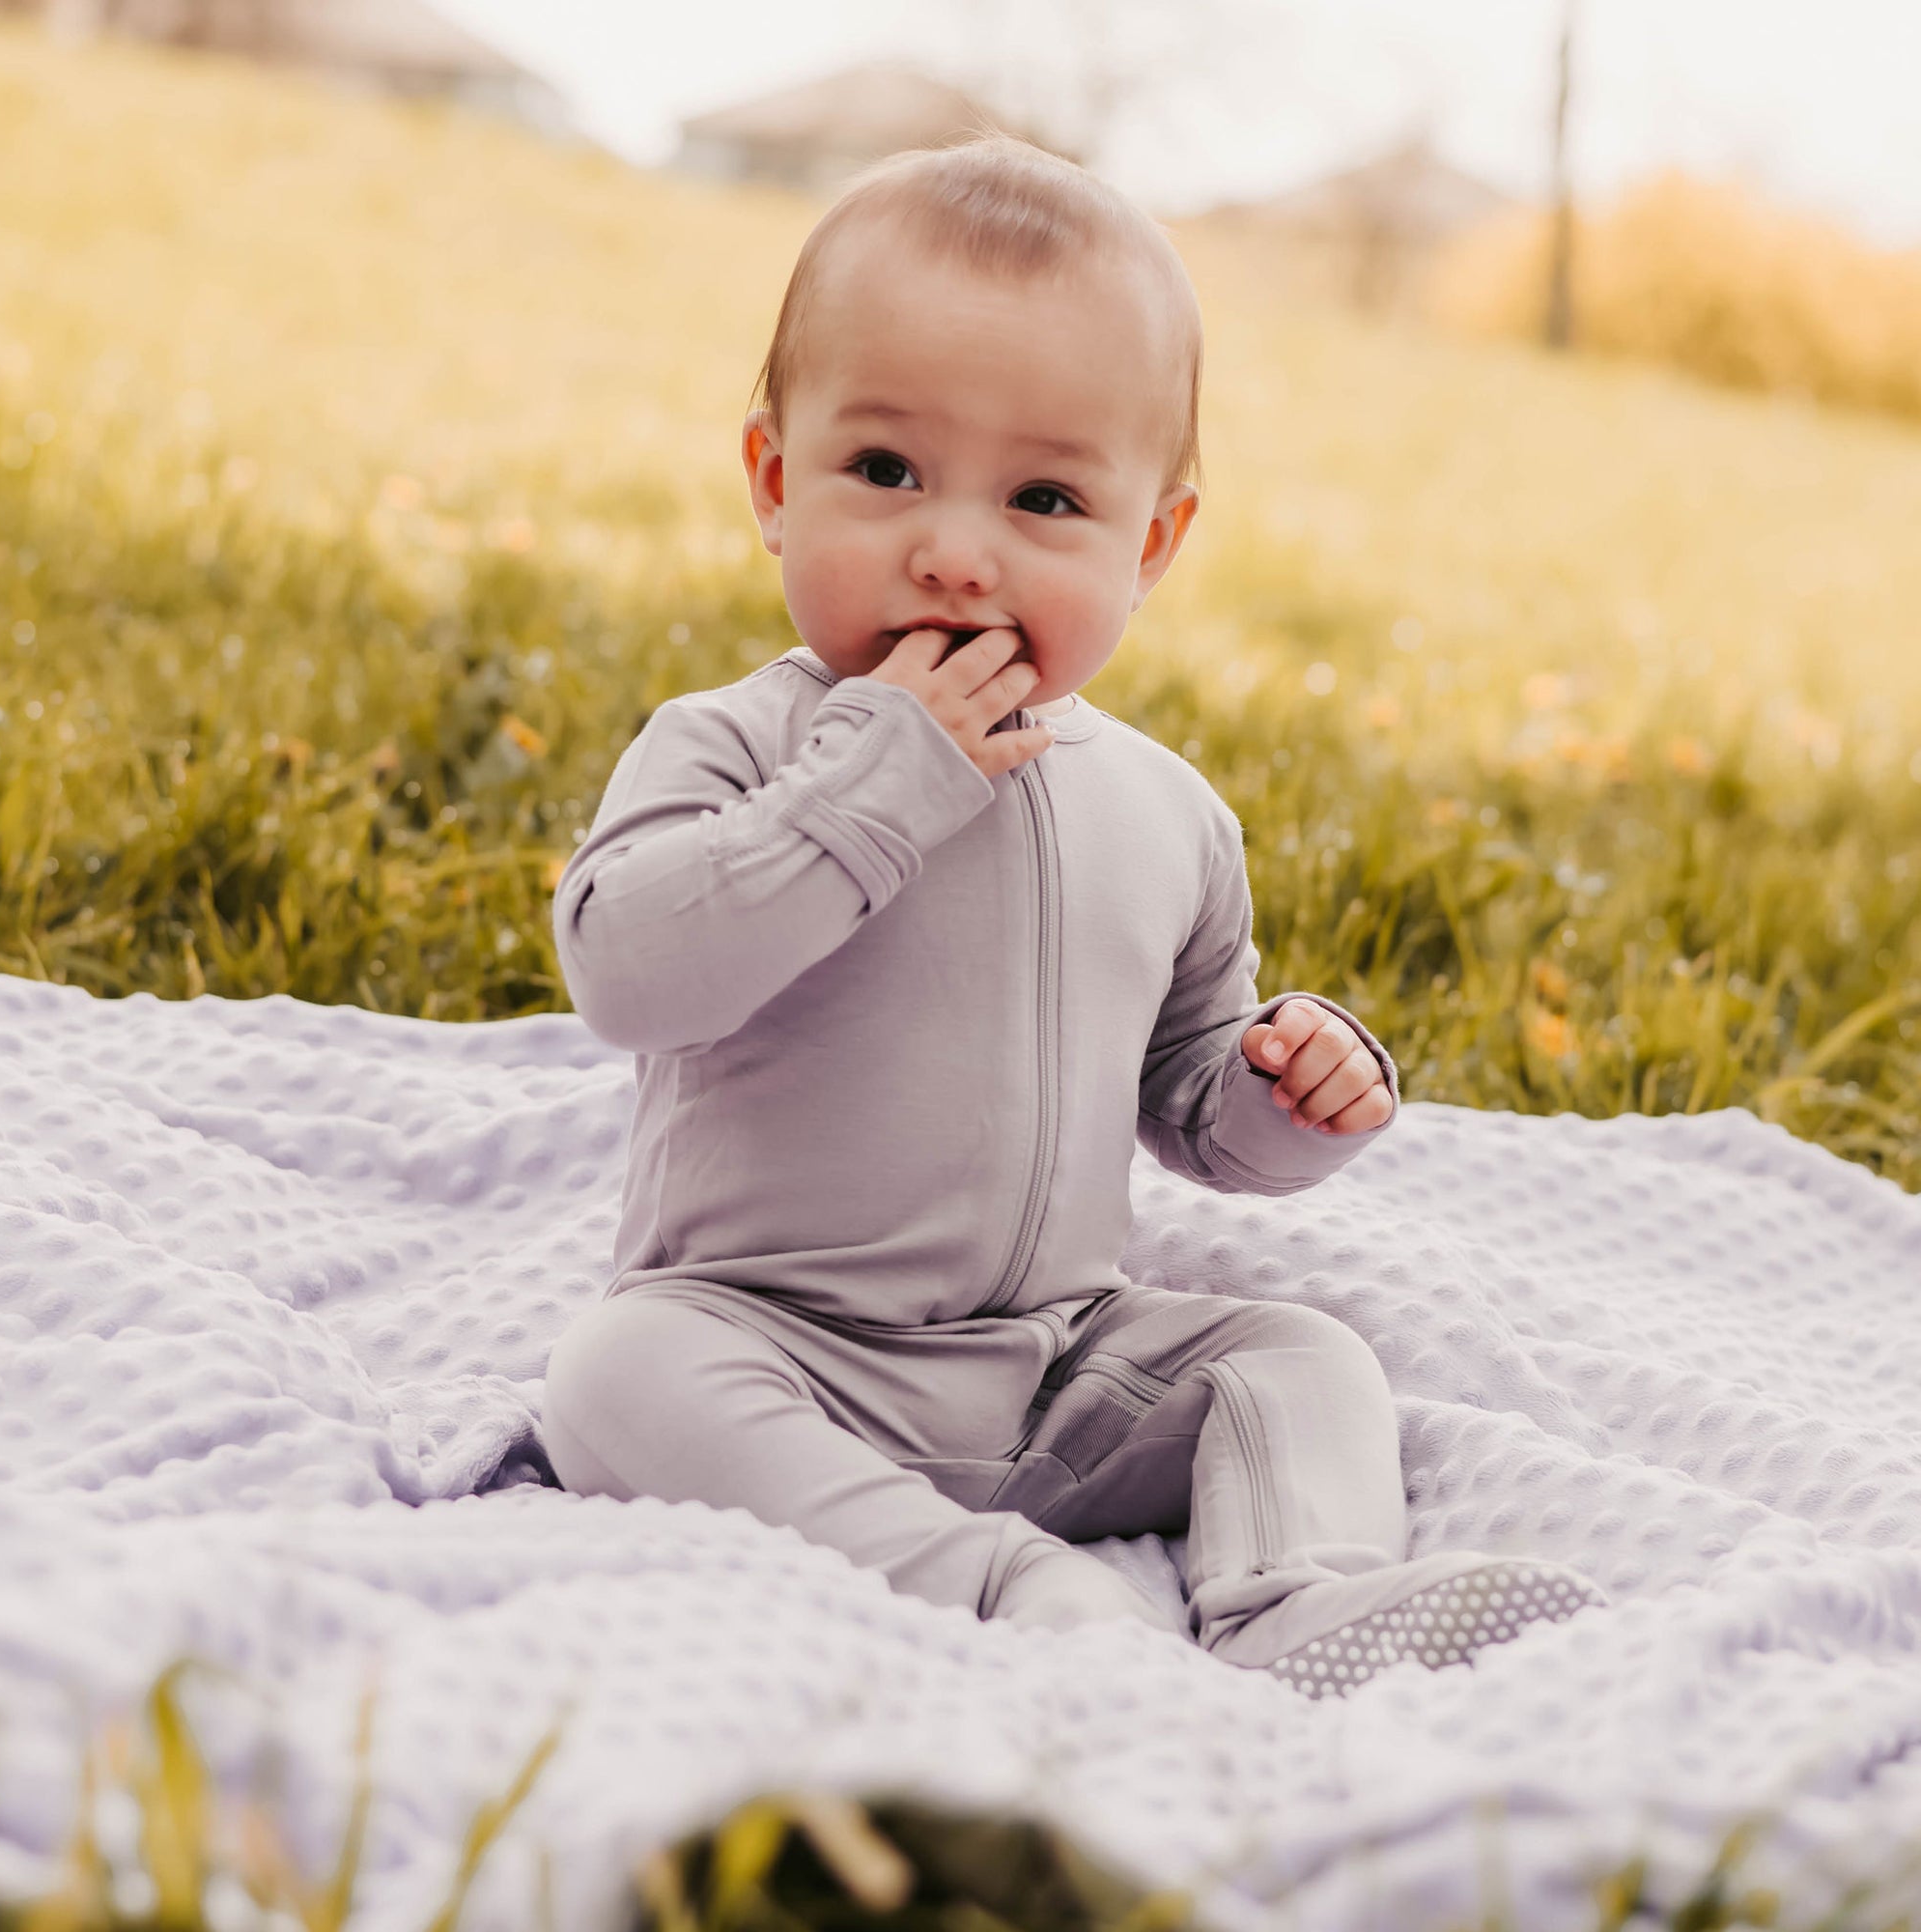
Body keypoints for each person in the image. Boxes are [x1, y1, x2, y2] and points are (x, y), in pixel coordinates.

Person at [541, 133, 1605, 1697]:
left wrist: (1287, 1089)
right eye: (886, 471)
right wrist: (871, 788)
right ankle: (1005, 1590)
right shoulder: (738, 746)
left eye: (1044, 498)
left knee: (1296, 1357)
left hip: (1057, 1369)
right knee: (615, 1375)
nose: (955, 553)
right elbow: (629, 974)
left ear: (1149, 545)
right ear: (776, 482)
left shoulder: (1169, 814)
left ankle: (1295, 1604)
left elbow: (1190, 1099)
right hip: (777, 1343)